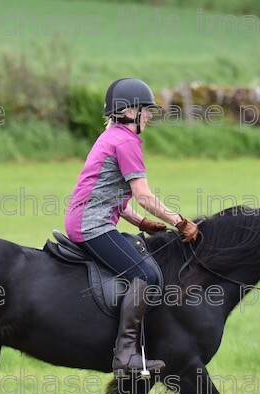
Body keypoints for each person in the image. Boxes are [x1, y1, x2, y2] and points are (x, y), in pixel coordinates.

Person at [65, 77, 200, 378]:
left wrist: (141, 222)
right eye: (146, 110)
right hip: (92, 225)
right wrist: (178, 221)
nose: (150, 116)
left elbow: (107, 193)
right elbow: (144, 196)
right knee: (147, 274)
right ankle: (125, 357)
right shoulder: (125, 141)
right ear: (128, 112)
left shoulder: (110, 136)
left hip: (86, 219)